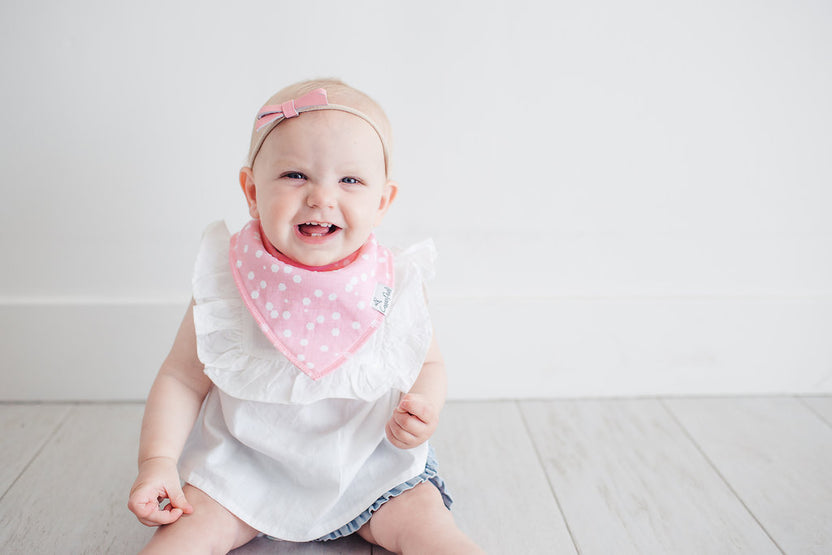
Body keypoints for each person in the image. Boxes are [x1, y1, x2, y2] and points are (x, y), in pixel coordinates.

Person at [127, 78, 483, 554]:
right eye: (295, 175)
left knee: (430, 528)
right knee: (183, 537)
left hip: (367, 463)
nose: (321, 196)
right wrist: (157, 460)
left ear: (382, 202)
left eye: (350, 180)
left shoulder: (390, 282)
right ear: (251, 190)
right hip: (243, 468)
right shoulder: (230, 281)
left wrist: (424, 406)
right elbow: (182, 378)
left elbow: (429, 364)